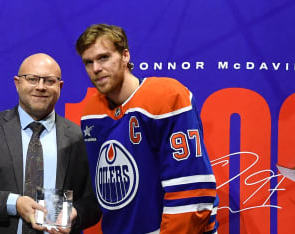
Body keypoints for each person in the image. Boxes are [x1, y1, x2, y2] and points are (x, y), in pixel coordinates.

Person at [75, 24, 219, 234]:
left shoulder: (168, 98)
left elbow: (191, 189)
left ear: (125, 56)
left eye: (103, 57)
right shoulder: (91, 113)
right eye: (89, 62)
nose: (96, 68)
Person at [0, 53, 101, 234]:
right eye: (32, 79)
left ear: (60, 86)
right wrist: (15, 203)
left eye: (49, 81)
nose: (40, 87)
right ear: (17, 83)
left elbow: (94, 201)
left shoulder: (78, 137)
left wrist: (75, 213)